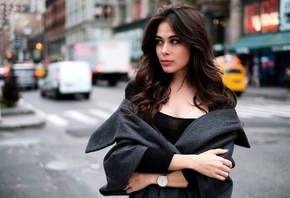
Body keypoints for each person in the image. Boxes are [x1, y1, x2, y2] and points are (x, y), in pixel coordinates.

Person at [86, 3, 250, 198]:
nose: (164, 50)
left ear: (194, 43)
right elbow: (124, 157)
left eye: (174, 41)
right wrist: (193, 162)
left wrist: (151, 178)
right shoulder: (141, 92)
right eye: (158, 41)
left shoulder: (218, 100)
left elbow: (215, 173)